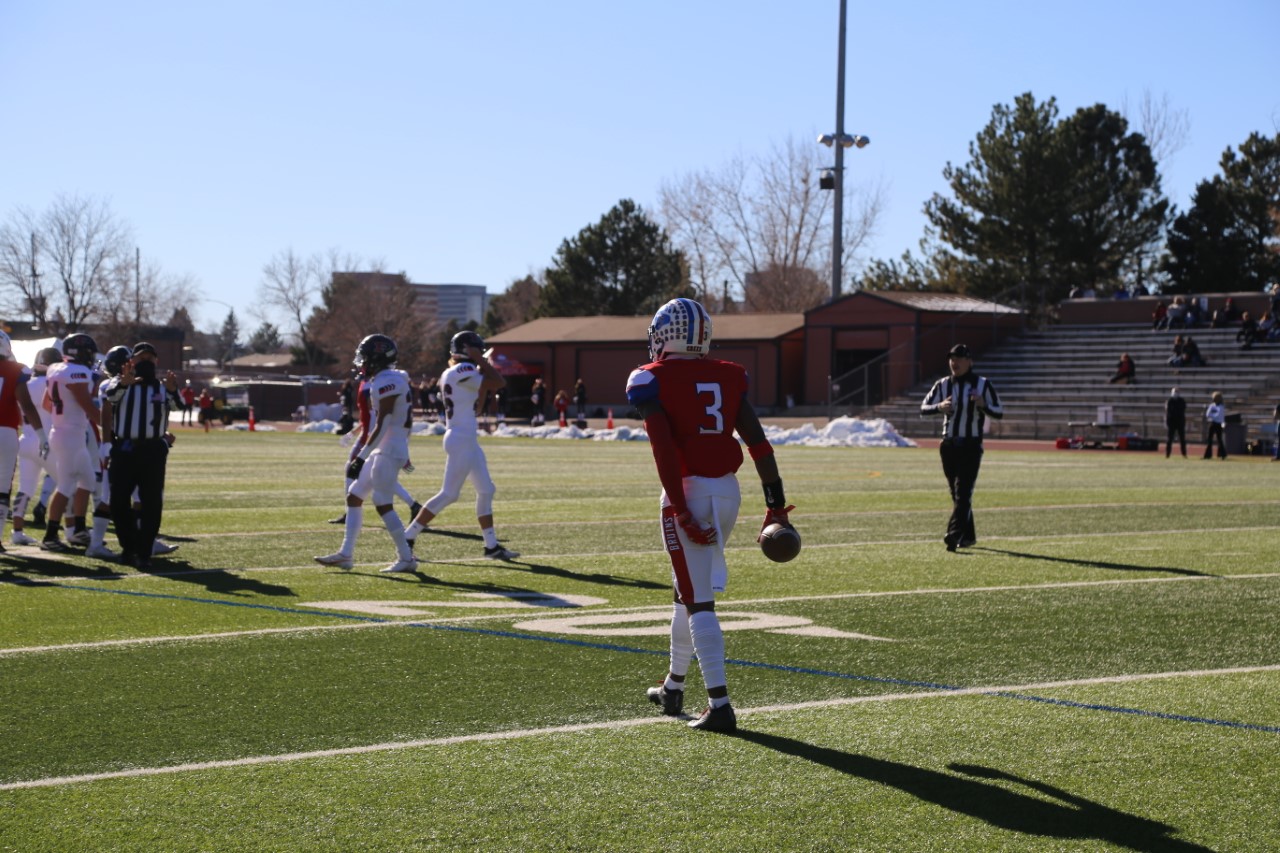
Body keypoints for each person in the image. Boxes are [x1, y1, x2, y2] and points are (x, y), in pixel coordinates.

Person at [626, 298, 793, 733]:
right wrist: (775, 504)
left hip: (689, 490)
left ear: (665, 335)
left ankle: (719, 704)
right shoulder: (728, 375)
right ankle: (673, 686)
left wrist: (680, 507)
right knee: (686, 590)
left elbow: (663, 448)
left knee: (699, 598)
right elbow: (759, 445)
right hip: (727, 491)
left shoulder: (649, 379)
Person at [402, 331, 519, 565]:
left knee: (486, 490)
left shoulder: (453, 372)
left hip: (464, 436)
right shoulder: (464, 370)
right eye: (476, 349)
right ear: (468, 349)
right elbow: (500, 382)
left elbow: (477, 405)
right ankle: (406, 538)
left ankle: (491, 546)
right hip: (461, 438)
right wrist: (482, 360)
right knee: (449, 494)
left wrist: (481, 370)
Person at [315, 334, 419, 574]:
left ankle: (406, 558)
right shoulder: (391, 378)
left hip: (389, 449)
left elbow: (382, 424)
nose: (361, 362)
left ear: (376, 358)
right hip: (387, 447)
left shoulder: (386, 381)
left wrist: (361, 457)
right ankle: (346, 554)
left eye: (364, 357)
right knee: (354, 495)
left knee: (382, 503)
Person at [102, 341, 182, 567]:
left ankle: (145, 551)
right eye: (141, 358)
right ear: (132, 361)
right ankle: (128, 547)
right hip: (125, 447)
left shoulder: (162, 387)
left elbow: (179, 407)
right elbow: (110, 398)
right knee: (118, 501)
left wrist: (173, 390)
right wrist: (124, 384)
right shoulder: (121, 383)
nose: (145, 362)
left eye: (150, 358)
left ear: (156, 361)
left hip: (152, 450)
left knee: (151, 502)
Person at [920, 343, 1004, 552]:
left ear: (969, 361)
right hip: (948, 445)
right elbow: (923, 408)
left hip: (971, 445)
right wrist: (939, 407)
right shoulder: (942, 384)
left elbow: (999, 411)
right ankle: (968, 536)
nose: (954, 362)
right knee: (956, 494)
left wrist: (983, 405)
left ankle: (954, 533)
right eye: (951, 358)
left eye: (958, 358)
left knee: (963, 492)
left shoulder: (983, 384)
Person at [328, 363, 421, 526]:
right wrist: (352, 433)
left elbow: (376, 417)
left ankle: (350, 512)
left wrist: (367, 437)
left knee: (362, 474)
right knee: (378, 478)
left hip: (375, 436)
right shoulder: (379, 382)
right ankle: (413, 505)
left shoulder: (377, 384)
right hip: (375, 434)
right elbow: (369, 416)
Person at [40, 334, 100, 552]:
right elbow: (87, 406)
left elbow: (47, 403)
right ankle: (49, 536)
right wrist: (109, 425)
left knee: (88, 481)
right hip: (70, 436)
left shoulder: (55, 368)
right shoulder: (79, 372)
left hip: (64, 432)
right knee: (66, 485)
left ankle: (79, 531)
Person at [0, 331, 45, 549]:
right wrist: (42, 434)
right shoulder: (16, 370)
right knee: (2, 488)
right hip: (6, 432)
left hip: (8, 432)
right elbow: (26, 405)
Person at [12, 347, 60, 546]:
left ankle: (17, 531)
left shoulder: (26, 383)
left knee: (25, 488)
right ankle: (68, 531)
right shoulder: (50, 383)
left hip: (25, 439)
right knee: (68, 486)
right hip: (44, 441)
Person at [1203, 391, 1227, 460]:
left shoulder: (1221, 406)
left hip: (1218, 424)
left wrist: (1212, 415)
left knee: (1219, 440)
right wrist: (1213, 416)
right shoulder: (1212, 406)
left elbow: (1218, 416)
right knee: (1209, 440)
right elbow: (1207, 414)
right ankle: (1208, 455)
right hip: (1213, 423)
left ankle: (1222, 455)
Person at [1165, 387, 1187, 459]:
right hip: (1172, 422)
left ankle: (1184, 454)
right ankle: (1167, 454)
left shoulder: (1181, 401)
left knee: (1182, 439)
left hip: (1180, 422)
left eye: (1177, 392)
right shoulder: (1169, 401)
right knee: (1169, 439)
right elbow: (1168, 412)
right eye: (1175, 392)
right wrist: (1167, 422)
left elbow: (1183, 410)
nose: (1175, 393)